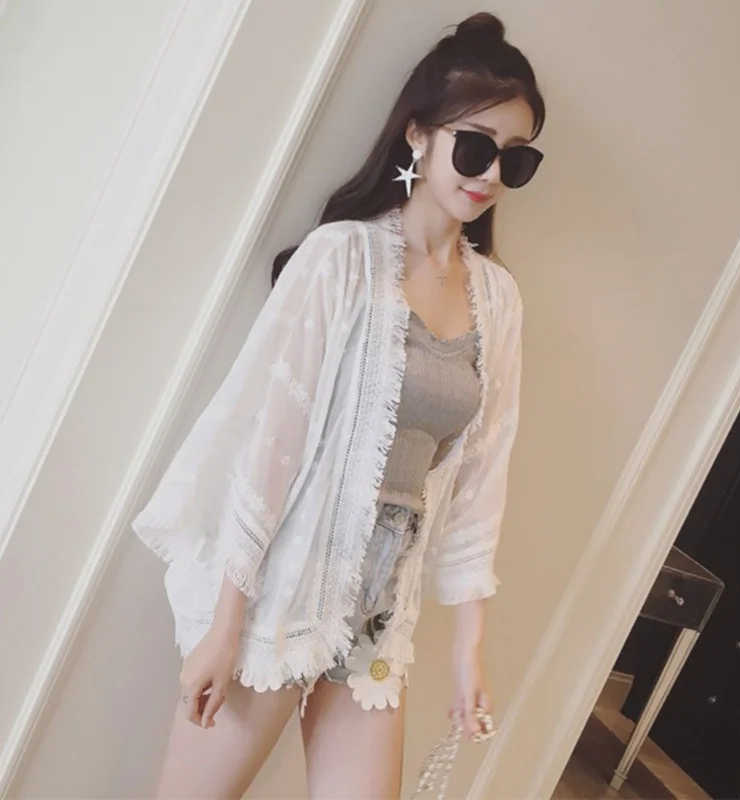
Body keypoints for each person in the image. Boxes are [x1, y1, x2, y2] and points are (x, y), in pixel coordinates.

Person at [132, 11, 545, 799]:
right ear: (419, 135)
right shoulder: (341, 260)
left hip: (378, 619)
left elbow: (481, 482)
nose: (492, 172)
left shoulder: (498, 301)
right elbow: (268, 445)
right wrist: (225, 624)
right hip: (278, 594)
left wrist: (468, 652)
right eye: (476, 146)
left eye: (516, 158)